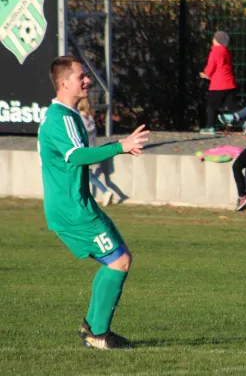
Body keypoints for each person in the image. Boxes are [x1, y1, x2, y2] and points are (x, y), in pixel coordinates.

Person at [38, 55, 149, 350]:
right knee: (119, 261)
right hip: (74, 210)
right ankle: (98, 334)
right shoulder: (61, 118)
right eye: (81, 76)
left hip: (79, 205)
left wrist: (120, 147)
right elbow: (76, 156)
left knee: (116, 259)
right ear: (64, 83)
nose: (87, 80)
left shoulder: (67, 115)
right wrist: (120, 147)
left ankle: (92, 325)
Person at [78, 97, 115, 207]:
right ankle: (92, 196)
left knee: (85, 176)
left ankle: (105, 192)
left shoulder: (80, 120)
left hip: (85, 152)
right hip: (93, 150)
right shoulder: (90, 119)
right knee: (87, 175)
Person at [199, 31, 236, 136]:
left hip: (219, 84)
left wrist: (206, 73)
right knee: (230, 106)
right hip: (230, 82)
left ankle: (210, 126)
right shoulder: (227, 52)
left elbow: (211, 66)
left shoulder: (215, 52)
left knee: (211, 105)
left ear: (217, 40)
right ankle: (244, 122)